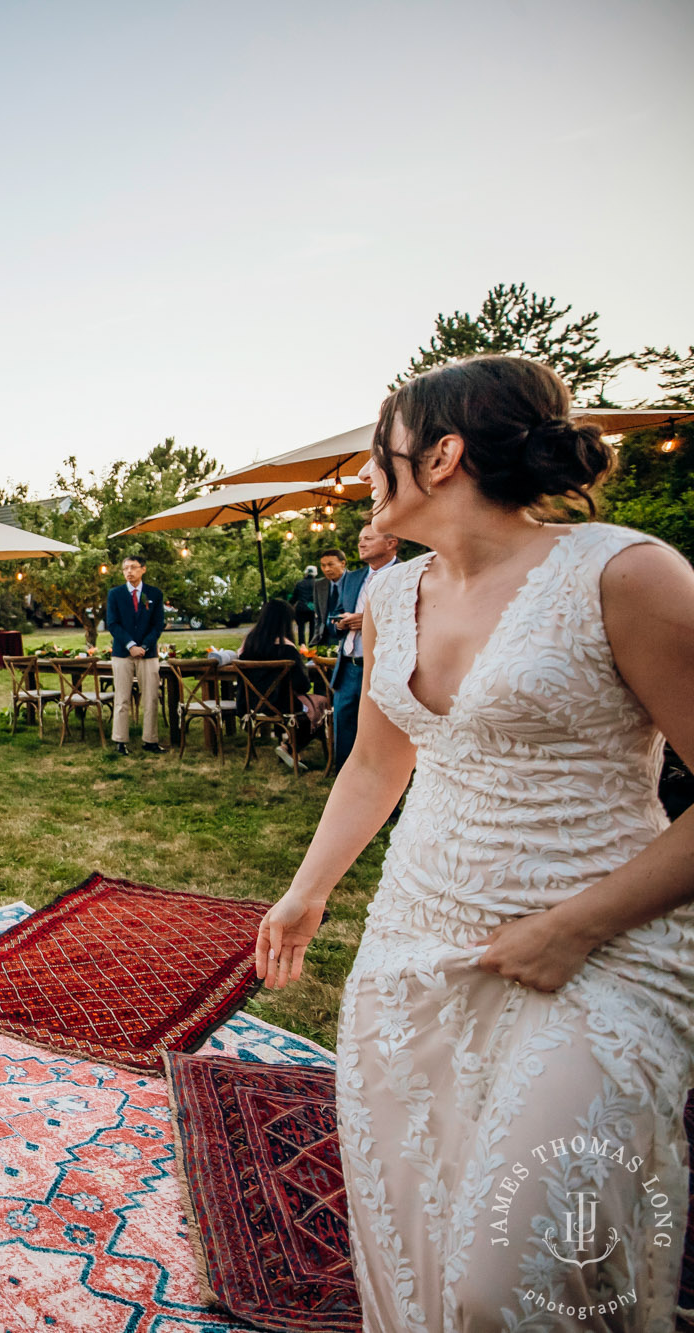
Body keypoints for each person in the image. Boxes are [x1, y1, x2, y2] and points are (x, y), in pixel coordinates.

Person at [255, 355, 694, 1330]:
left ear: (441, 454)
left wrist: (572, 927)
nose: (364, 472)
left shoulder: (626, 574)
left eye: (381, 449)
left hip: (599, 949)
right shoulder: (387, 595)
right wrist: (306, 889)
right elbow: (375, 764)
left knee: (510, 1280)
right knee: (419, 1228)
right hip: (413, 943)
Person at [327, 523, 401, 770]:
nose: (361, 543)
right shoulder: (353, 578)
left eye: (368, 538)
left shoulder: (408, 575)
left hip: (386, 669)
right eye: (360, 538)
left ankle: (387, 804)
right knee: (345, 732)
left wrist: (369, 622)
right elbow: (332, 616)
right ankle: (346, 792)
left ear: (391, 543)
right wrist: (339, 624)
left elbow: (417, 620)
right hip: (348, 668)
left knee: (383, 735)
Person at [232, 602, 325, 766]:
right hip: (283, 704)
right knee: (322, 705)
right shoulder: (287, 649)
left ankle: (290, 749)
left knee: (310, 705)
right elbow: (302, 685)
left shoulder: (247, 646)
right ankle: (289, 747)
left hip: (251, 703)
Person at [104, 554, 166, 755]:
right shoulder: (115, 594)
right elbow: (112, 623)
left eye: (133, 567)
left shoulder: (154, 594)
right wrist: (130, 645)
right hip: (123, 652)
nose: (129, 571)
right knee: (122, 697)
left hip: (148, 654)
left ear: (143, 569)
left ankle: (150, 740)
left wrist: (145, 646)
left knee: (151, 697)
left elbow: (158, 625)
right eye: (125, 568)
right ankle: (120, 741)